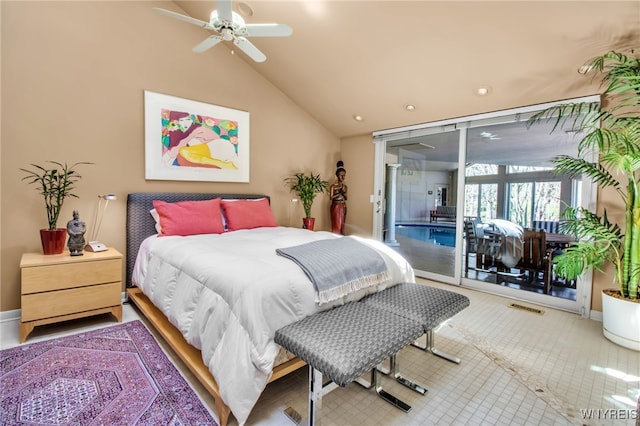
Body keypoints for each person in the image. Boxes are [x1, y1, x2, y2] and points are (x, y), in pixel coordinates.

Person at [329, 161, 348, 234]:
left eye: (344, 175)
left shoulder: (345, 187)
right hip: (335, 206)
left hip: (343, 205)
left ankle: (342, 237)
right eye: (341, 175)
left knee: (342, 224)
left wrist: (342, 192)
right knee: (336, 224)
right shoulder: (333, 186)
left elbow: (346, 198)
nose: (343, 177)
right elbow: (331, 197)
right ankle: (335, 238)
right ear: (337, 175)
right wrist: (339, 193)